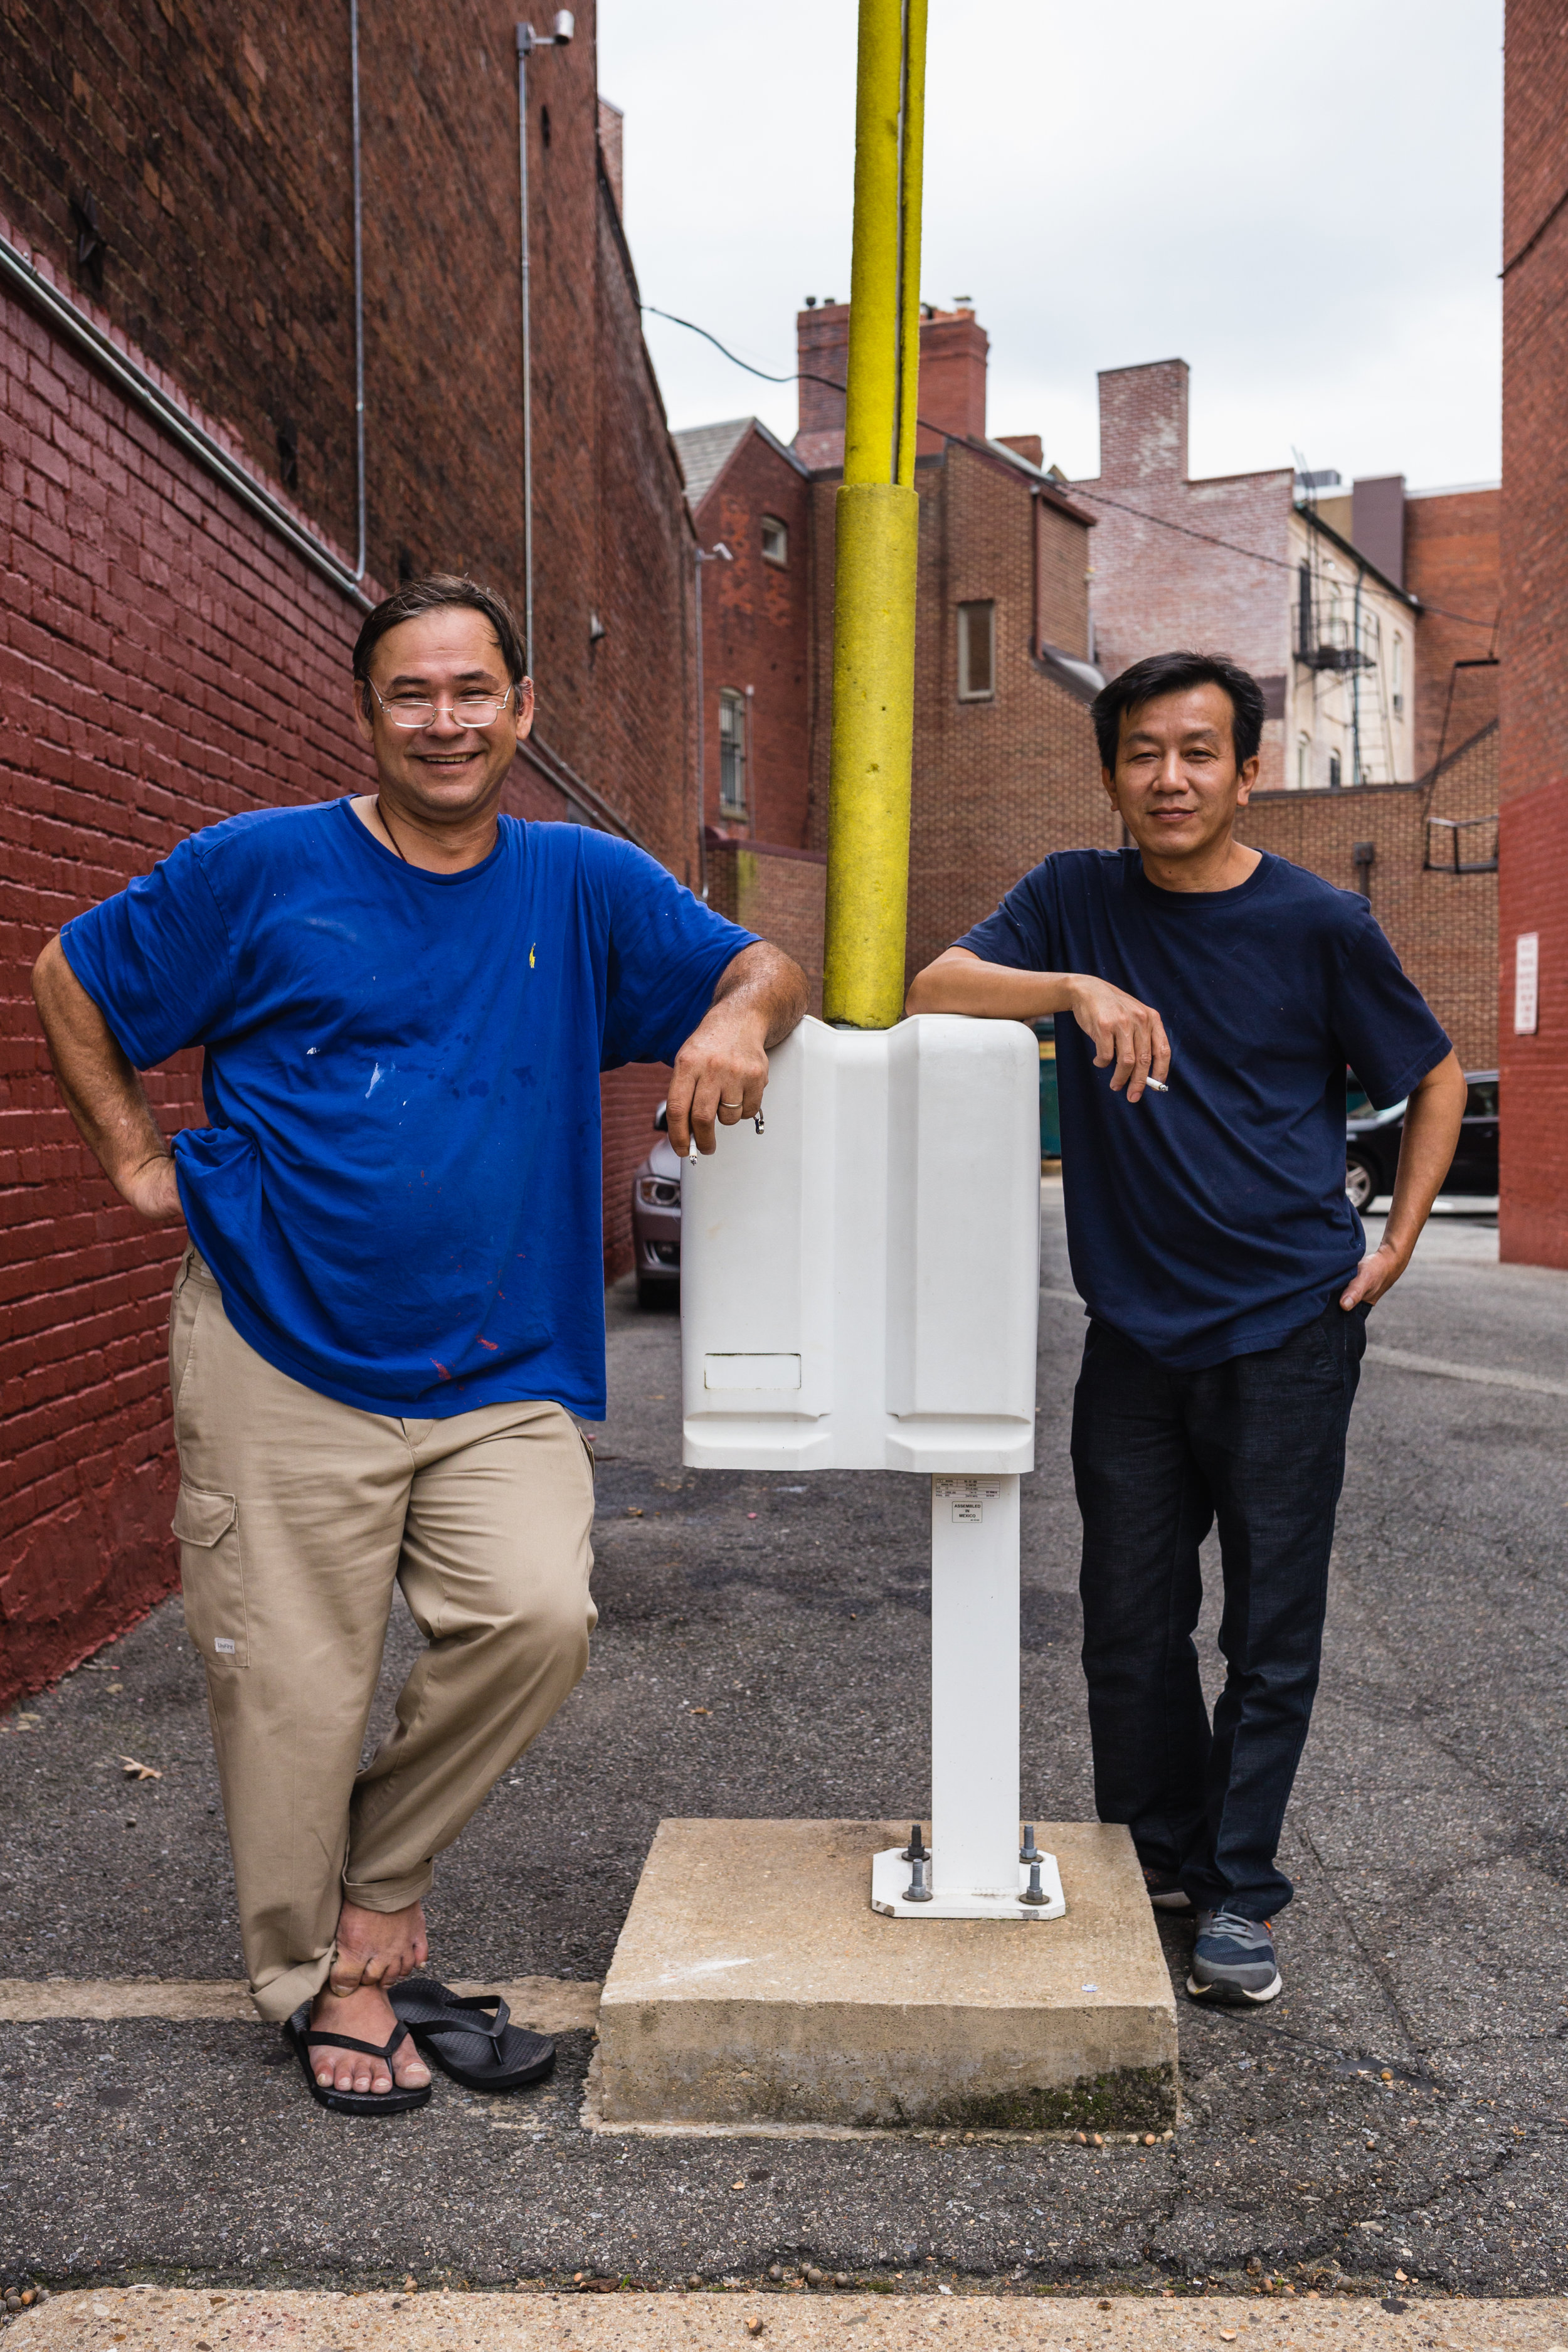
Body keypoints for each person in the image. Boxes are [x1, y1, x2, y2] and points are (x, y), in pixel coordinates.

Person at [32, 574, 807, 2111]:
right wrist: (131, 1156)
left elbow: (760, 962)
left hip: (496, 1363)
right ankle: (321, 1981)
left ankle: (376, 1884)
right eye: (411, 694)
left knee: (536, 1614)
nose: (443, 721)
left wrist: (737, 1017)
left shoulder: (580, 883)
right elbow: (73, 975)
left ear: (521, 710)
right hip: (276, 1341)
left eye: (472, 693)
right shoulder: (257, 871)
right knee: (292, 1693)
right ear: (367, 713)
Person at [907, 650, 1465, 2006]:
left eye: (1198, 752)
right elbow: (934, 984)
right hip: (1134, 1335)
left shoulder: (1318, 924)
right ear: (1111, 770)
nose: (1169, 777)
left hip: (1287, 1323)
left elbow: (1432, 1074)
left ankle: (1238, 1893)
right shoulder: (1070, 899)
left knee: (1269, 1631)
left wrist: (1390, 1245)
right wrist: (1070, 991)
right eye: (1144, 752)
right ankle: (1154, 1857)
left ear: (1246, 771)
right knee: (1126, 1621)